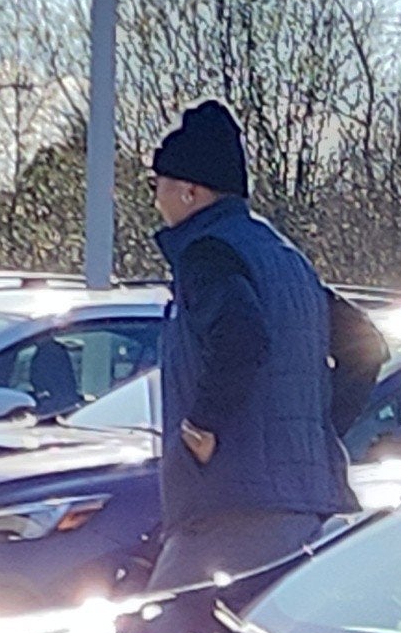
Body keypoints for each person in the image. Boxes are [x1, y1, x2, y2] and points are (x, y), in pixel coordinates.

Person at [146, 98, 347, 600]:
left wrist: (202, 426)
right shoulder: (285, 255)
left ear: (190, 191)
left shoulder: (206, 254)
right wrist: (315, 426)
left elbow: (240, 335)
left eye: (158, 185)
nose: (155, 200)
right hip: (307, 507)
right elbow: (366, 347)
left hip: (229, 508)